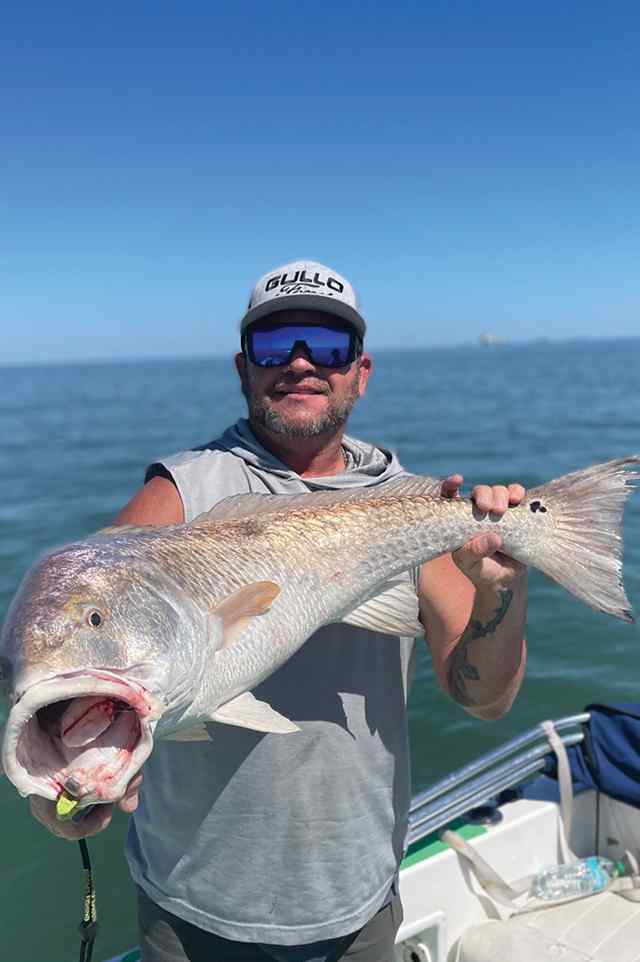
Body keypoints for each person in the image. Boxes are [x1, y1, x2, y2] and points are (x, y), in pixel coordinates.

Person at [31, 260, 528, 962]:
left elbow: (484, 698)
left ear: (361, 371)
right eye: (274, 345)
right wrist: (63, 777)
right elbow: (82, 633)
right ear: (243, 367)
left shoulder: (415, 504)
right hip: (189, 907)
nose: (299, 363)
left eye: (327, 344)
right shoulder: (180, 494)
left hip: (356, 901)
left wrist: (501, 590)